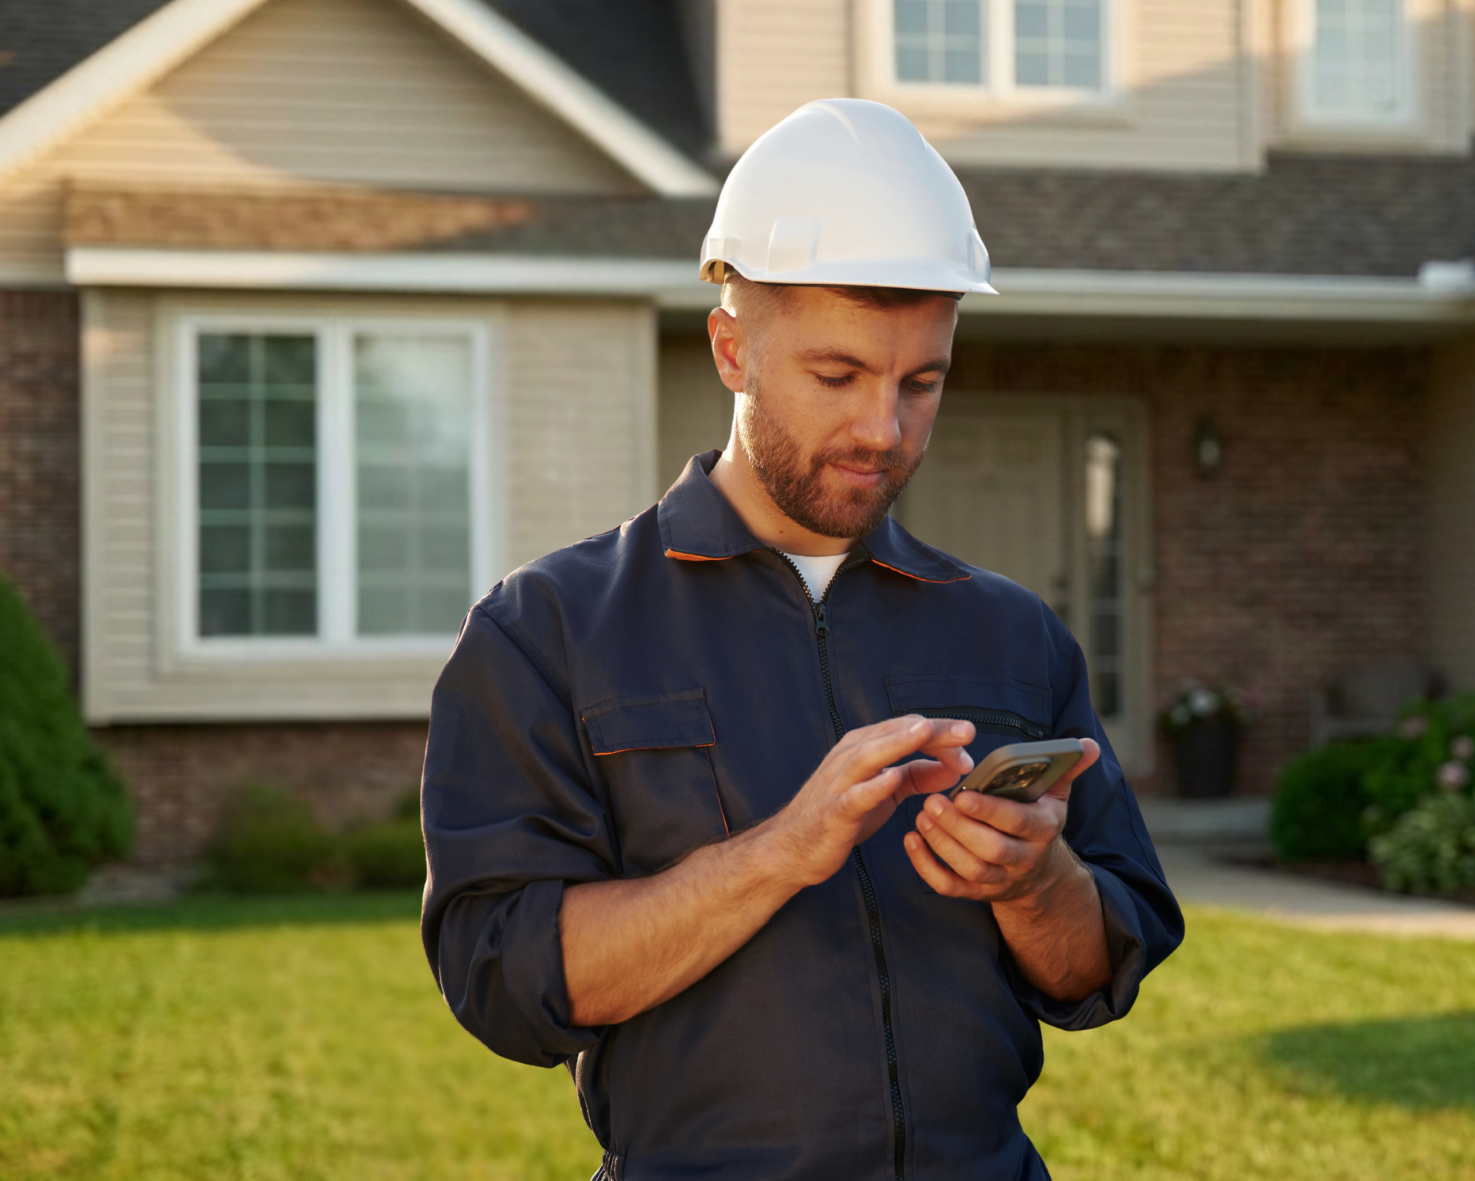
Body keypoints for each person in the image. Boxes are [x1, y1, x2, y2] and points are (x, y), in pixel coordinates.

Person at [419, 98, 1183, 1181]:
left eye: (922, 383)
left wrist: (1034, 879)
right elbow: (503, 981)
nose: (883, 428)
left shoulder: (1016, 635)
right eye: (837, 376)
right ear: (732, 347)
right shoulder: (546, 630)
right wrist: (781, 851)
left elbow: (1101, 965)